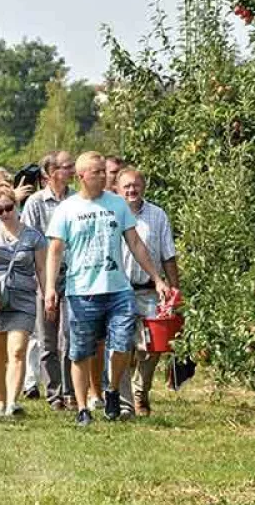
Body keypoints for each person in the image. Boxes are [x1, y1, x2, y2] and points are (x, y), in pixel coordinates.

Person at [43, 152, 172, 427]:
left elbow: (136, 243)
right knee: (80, 351)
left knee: (123, 344)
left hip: (118, 289)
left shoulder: (117, 204)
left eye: (104, 171)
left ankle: (112, 389)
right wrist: (51, 288)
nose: (103, 176)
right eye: (97, 172)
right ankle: (82, 408)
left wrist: (157, 278)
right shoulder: (67, 209)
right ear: (81, 177)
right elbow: (55, 251)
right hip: (81, 291)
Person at [116, 167, 181, 417]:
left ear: (143, 186)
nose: (132, 190)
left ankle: (141, 390)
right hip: (120, 289)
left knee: (152, 347)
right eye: (126, 187)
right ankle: (125, 401)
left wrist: (174, 288)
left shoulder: (157, 215)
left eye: (136, 185)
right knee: (121, 345)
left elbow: (168, 254)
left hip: (150, 289)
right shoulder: (113, 214)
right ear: (118, 190)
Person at [21, 150, 76, 410]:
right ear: (52, 173)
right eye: (67, 167)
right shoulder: (35, 203)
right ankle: (54, 393)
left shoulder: (77, 200)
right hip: (44, 275)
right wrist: (44, 281)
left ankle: (69, 391)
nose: (72, 171)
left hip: (73, 275)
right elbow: (29, 240)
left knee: (69, 336)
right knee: (48, 338)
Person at [0, 183, 46, 417]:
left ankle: (12, 401)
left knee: (18, 349)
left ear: (16, 205)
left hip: (23, 298)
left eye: (8, 207)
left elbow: (41, 269)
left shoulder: (33, 236)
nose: (4, 214)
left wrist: (48, 293)